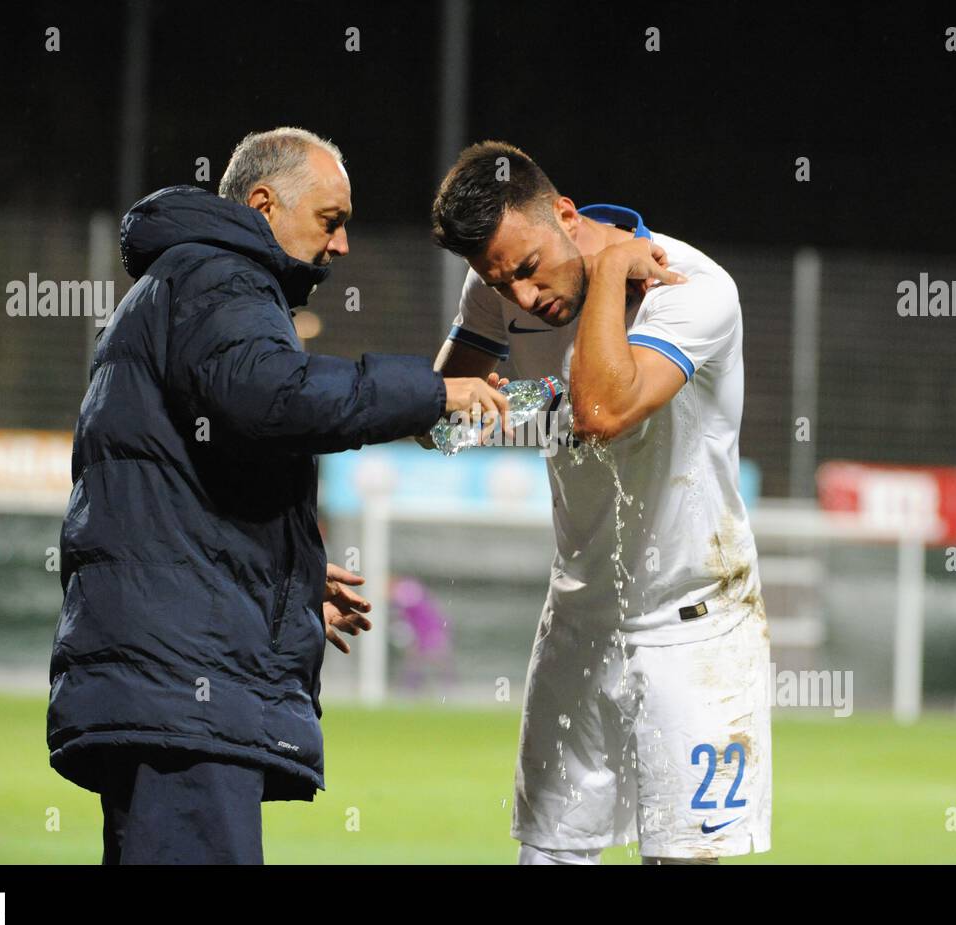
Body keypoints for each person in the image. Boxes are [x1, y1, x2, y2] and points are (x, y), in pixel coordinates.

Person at [47, 127, 507, 864]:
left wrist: (287, 578)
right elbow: (273, 398)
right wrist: (430, 392)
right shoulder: (218, 275)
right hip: (182, 690)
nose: (345, 244)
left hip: (167, 680)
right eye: (331, 219)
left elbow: (189, 485)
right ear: (263, 204)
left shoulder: (186, 279)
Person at [428, 141, 771, 864]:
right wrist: (535, 396)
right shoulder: (495, 290)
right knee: (547, 855)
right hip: (579, 621)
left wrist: (612, 266)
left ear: (565, 214)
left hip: (696, 627)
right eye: (497, 279)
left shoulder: (694, 289)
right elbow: (440, 420)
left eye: (525, 268)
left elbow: (602, 409)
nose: (521, 296)